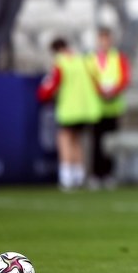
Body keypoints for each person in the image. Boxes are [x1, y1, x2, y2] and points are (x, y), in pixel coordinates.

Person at [37, 37, 101, 191]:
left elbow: (50, 86)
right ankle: (78, 176)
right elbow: (96, 81)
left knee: (64, 139)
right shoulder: (83, 60)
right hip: (85, 109)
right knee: (77, 141)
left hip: (69, 109)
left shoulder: (61, 63)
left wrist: (42, 95)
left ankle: (67, 177)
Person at [87, 27, 130, 189]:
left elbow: (125, 78)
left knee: (111, 143)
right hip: (96, 107)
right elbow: (89, 79)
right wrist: (100, 91)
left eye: (107, 39)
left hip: (114, 106)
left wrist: (113, 91)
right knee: (96, 142)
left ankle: (109, 174)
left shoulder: (118, 58)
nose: (104, 42)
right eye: (101, 39)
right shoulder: (90, 59)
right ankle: (96, 175)